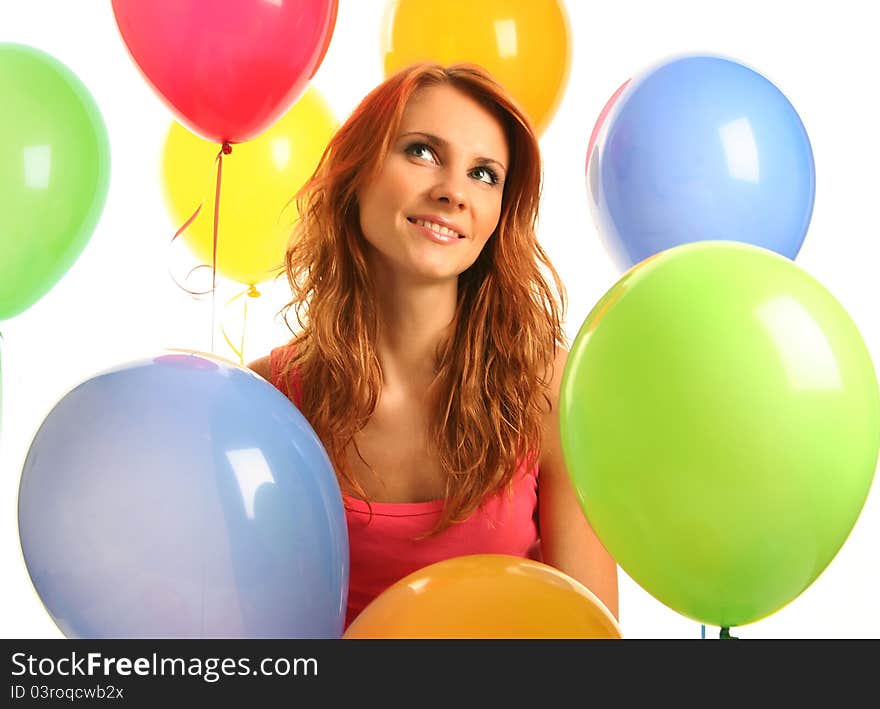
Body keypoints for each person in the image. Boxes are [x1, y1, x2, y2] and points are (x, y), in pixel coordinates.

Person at [248, 62, 619, 630]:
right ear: (358, 172)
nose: (452, 192)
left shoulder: (550, 390)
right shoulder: (267, 402)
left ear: (500, 214)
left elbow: (596, 646)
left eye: (484, 174)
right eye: (422, 151)